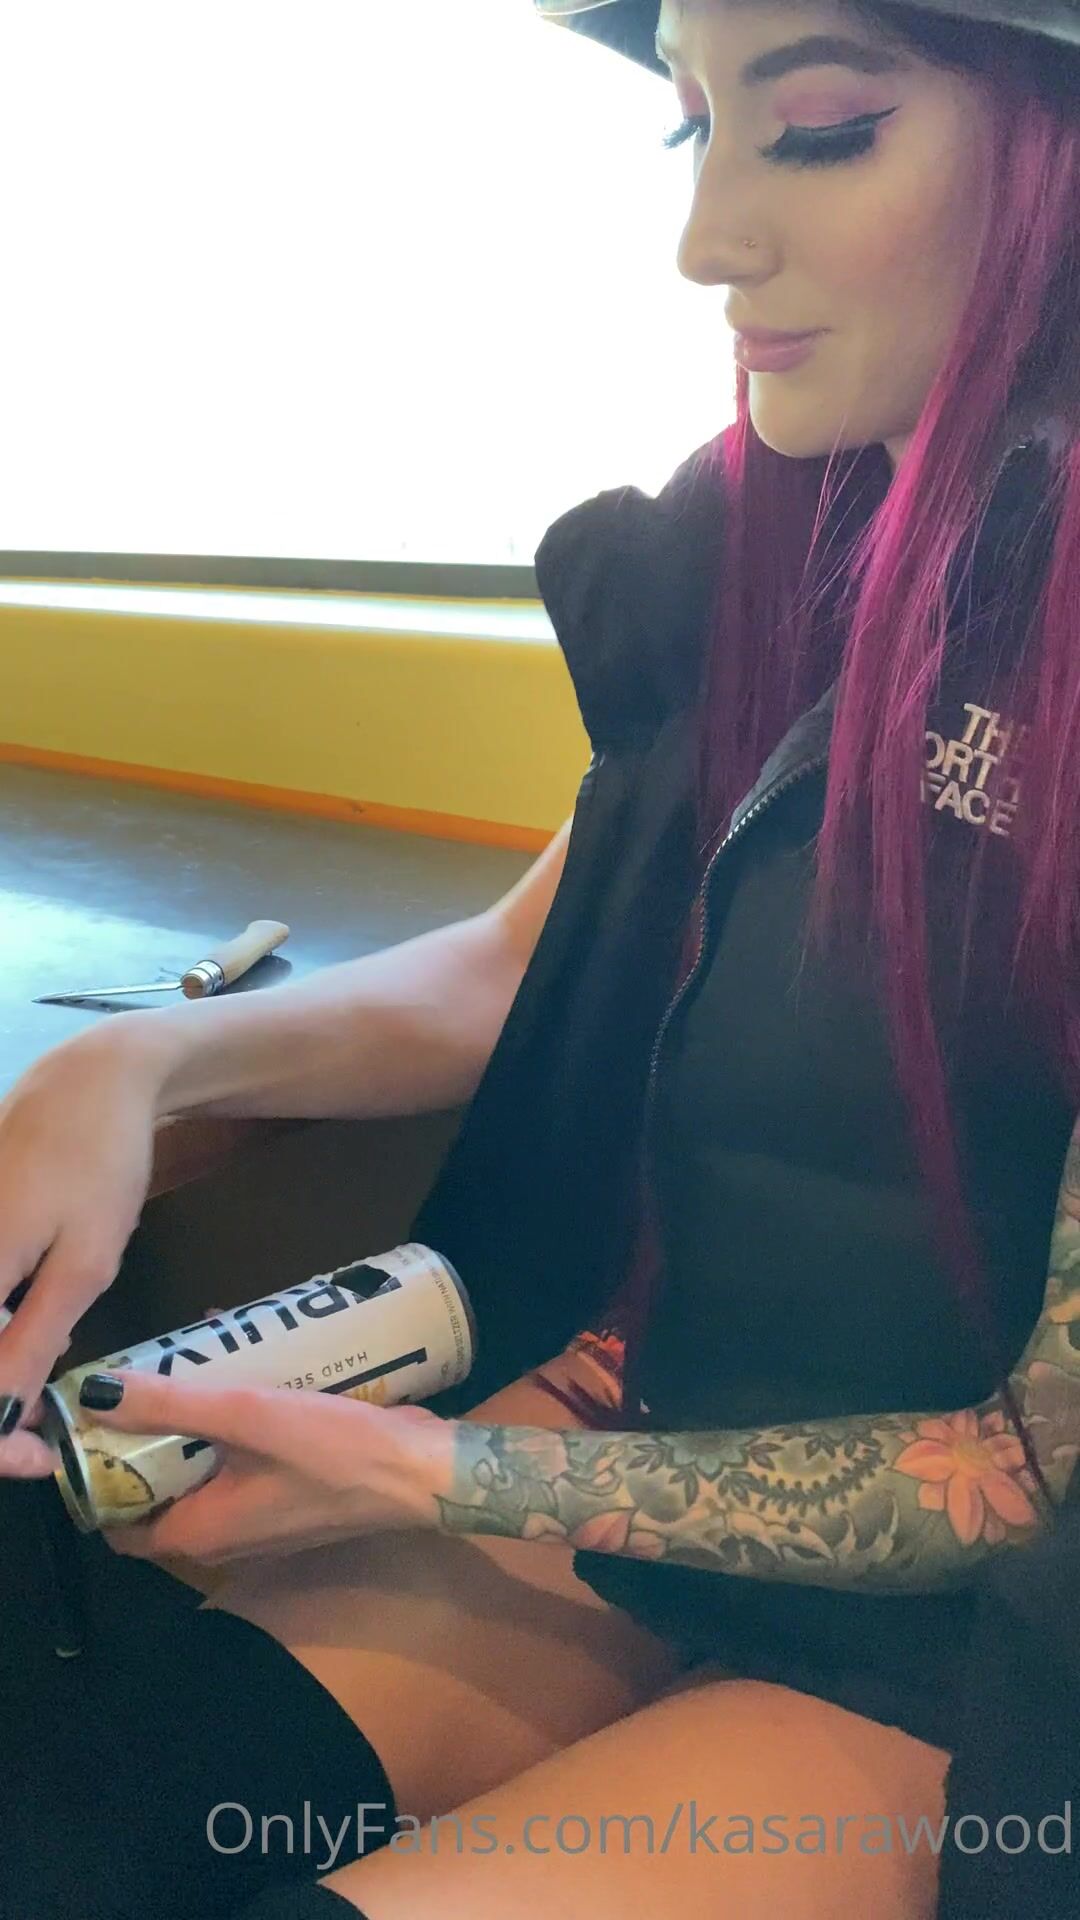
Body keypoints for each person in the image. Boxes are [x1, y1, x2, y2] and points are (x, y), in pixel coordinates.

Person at [1, 0, 1078, 1914]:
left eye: (823, 129)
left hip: (967, 1647)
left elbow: (1032, 1471)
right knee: (68, 1818)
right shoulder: (778, 520)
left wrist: (432, 1475)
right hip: (637, 1424)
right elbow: (531, 960)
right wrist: (138, 1066)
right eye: (691, 128)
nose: (708, 242)